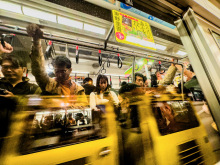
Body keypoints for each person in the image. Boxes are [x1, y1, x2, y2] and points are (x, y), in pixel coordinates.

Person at [26, 24, 86, 98]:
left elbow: (83, 107)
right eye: (57, 71)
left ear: (70, 70)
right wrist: (36, 42)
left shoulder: (78, 90)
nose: (60, 75)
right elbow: (38, 70)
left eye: (63, 71)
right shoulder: (49, 84)